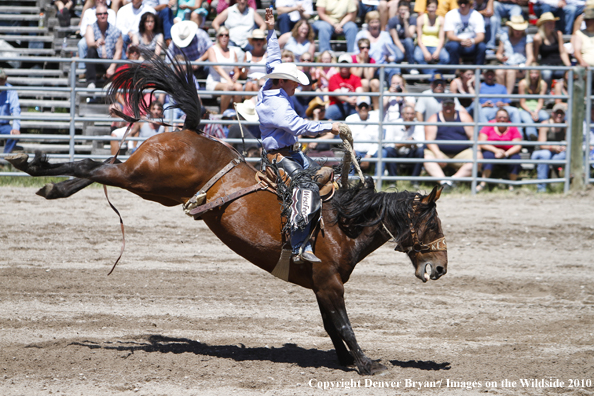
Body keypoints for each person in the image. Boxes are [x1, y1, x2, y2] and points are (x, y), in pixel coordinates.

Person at [256, 8, 341, 264]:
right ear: (282, 82)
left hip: (292, 153)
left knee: (326, 176)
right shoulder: (277, 105)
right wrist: (329, 127)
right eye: (294, 82)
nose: (297, 86)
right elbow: (298, 126)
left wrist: (271, 30)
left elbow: (273, 56)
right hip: (280, 156)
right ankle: (298, 246)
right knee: (306, 186)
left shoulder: (272, 87)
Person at [423, 97, 479, 190]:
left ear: (454, 105)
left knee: (478, 159)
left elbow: (473, 137)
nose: (448, 107)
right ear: (442, 104)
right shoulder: (433, 118)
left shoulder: (464, 116)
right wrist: (437, 154)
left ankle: (451, 181)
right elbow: (429, 139)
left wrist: (478, 151)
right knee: (427, 158)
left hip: (462, 152)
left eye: (450, 104)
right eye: (445, 104)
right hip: (440, 152)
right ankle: (443, 181)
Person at [477, 108, 522, 191]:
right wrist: (496, 151)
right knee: (487, 157)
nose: (502, 119)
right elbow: (481, 142)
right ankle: (483, 183)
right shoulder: (489, 125)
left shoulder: (512, 127)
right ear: (495, 118)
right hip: (491, 151)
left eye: (504, 117)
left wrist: (506, 154)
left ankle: (511, 184)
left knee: (516, 159)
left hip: (508, 153)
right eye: (499, 117)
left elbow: (518, 145)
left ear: (508, 118)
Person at [205, 27, 244, 113]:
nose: (224, 37)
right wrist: (229, 80)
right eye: (221, 35)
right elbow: (216, 67)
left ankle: (235, 115)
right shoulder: (212, 49)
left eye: (226, 35)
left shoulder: (232, 51)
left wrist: (234, 78)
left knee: (239, 87)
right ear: (218, 37)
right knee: (228, 87)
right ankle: (223, 115)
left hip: (228, 82)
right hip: (214, 82)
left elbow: (237, 71)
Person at [531, 103, 567, 192]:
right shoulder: (545, 124)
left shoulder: (565, 125)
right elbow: (542, 145)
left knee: (567, 155)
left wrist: (563, 147)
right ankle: (541, 187)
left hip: (556, 154)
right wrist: (554, 147)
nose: (559, 115)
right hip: (540, 152)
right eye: (557, 113)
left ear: (564, 115)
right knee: (545, 155)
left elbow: (568, 142)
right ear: (552, 113)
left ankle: (563, 187)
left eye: (561, 113)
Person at [347, 96, 389, 173]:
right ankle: (349, 180)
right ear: (357, 108)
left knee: (383, 152)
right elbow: (347, 139)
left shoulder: (376, 119)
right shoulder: (349, 119)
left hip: (371, 152)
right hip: (355, 151)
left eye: (365, 106)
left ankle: (377, 180)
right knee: (348, 152)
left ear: (369, 108)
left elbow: (378, 140)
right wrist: (351, 149)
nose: (363, 108)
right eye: (361, 106)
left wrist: (369, 155)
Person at [85, 4, 123, 89]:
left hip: (110, 61)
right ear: (96, 15)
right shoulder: (91, 27)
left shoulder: (115, 31)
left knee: (122, 63)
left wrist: (112, 67)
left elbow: (119, 51)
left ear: (108, 15)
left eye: (105, 13)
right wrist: (96, 44)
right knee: (91, 51)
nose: (102, 16)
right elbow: (89, 43)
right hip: (97, 60)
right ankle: (91, 82)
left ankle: (110, 82)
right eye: (100, 14)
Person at [495, 15, 533, 95]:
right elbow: (498, 54)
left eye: (520, 29)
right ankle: (500, 95)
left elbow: (530, 56)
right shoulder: (504, 37)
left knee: (510, 71)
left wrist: (525, 67)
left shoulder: (527, 38)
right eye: (516, 29)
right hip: (507, 64)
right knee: (499, 72)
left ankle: (506, 98)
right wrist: (502, 58)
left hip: (520, 67)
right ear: (511, 28)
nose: (518, 31)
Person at [385, 104, 425, 179]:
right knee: (389, 150)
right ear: (402, 114)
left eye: (412, 114)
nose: (409, 116)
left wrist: (413, 143)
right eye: (407, 113)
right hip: (396, 152)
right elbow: (387, 144)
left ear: (415, 115)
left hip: (411, 152)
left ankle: (414, 180)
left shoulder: (419, 125)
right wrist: (405, 143)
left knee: (420, 151)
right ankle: (392, 180)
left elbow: (420, 145)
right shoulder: (393, 124)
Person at [532, 12, 572, 89]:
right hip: (545, 65)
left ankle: (566, 94)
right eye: (549, 23)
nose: (552, 25)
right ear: (543, 25)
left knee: (569, 74)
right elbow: (535, 56)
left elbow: (562, 52)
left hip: (558, 65)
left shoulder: (558, 34)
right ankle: (547, 95)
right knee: (546, 74)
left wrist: (568, 66)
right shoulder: (538, 38)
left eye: (553, 23)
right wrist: (535, 69)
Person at [477, 69, 521, 136]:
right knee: (481, 112)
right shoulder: (479, 87)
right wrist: (485, 105)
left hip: (501, 108)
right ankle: (484, 136)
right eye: (488, 74)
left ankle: (518, 136)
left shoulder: (501, 87)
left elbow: (507, 103)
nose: (489, 76)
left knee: (514, 111)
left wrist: (502, 104)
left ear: (494, 75)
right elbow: (475, 104)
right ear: (483, 75)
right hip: (486, 109)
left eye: (491, 74)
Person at [444, 0, 487, 66]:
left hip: (472, 43)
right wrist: (462, 40)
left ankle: (478, 72)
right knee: (453, 46)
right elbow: (450, 35)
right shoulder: (451, 14)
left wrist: (472, 41)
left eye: (465, 3)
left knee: (482, 46)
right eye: (460, 2)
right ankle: (453, 72)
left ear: (469, 4)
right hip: (457, 42)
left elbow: (481, 36)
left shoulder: (477, 15)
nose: (462, 5)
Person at [414, 0, 449, 77]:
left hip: (436, 45)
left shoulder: (441, 20)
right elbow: (419, 38)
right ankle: (431, 76)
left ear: (436, 8)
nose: (431, 9)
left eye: (433, 7)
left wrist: (437, 51)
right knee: (418, 57)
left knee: (445, 58)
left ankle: (434, 74)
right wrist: (425, 52)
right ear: (426, 8)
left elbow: (442, 38)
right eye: (429, 7)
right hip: (423, 45)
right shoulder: (421, 19)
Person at [78, 0, 116, 67]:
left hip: (107, 37)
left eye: (105, 13)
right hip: (89, 37)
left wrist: (103, 39)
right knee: (82, 43)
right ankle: (82, 67)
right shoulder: (88, 12)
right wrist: (92, 39)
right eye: (99, 14)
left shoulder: (111, 12)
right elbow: (83, 30)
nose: (100, 0)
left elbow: (114, 29)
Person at [326, 54, 364, 120]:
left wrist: (355, 98)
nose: (344, 66)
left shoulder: (355, 78)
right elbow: (338, 94)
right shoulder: (333, 78)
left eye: (346, 64)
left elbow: (359, 92)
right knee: (328, 114)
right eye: (342, 64)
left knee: (360, 112)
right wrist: (349, 99)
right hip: (337, 105)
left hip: (352, 105)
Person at [518, 67, 549, 141]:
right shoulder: (522, 83)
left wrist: (536, 111)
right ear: (528, 74)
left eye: (536, 73)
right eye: (532, 73)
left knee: (545, 117)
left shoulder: (543, 84)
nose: (534, 75)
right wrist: (531, 112)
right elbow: (522, 103)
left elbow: (541, 102)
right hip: (524, 109)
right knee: (528, 120)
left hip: (537, 109)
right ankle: (533, 138)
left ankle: (542, 139)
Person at [386, 2, 418, 75]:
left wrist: (405, 22)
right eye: (401, 9)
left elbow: (409, 36)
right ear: (398, 10)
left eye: (405, 10)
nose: (403, 11)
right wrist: (403, 50)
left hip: (408, 44)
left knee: (408, 41)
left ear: (409, 10)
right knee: (400, 56)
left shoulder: (412, 20)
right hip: (396, 44)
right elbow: (395, 39)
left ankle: (412, 67)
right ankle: (397, 72)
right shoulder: (392, 20)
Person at [351, 38, 380, 110]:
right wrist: (362, 62)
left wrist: (365, 61)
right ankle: (364, 108)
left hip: (366, 83)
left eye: (367, 47)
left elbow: (369, 77)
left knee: (375, 82)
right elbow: (356, 76)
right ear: (359, 48)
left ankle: (377, 109)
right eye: (362, 48)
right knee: (364, 82)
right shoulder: (353, 59)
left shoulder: (371, 60)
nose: (365, 50)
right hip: (354, 83)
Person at [0, 68, 21, 154]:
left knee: (14, 135)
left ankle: (3, 160)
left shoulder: (11, 90)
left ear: (6, 78)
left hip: (4, 125)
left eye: (1, 79)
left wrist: (16, 128)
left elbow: (15, 109)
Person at [243, 29, 268, 98]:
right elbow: (243, 76)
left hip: (264, 81)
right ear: (253, 41)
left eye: (261, 40)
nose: (258, 42)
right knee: (249, 85)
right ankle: (248, 106)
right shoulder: (247, 54)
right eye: (256, 39)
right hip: (250, 81)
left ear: (263, 42)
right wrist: (245, 69)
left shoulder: (267, 55)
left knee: (256, 86)